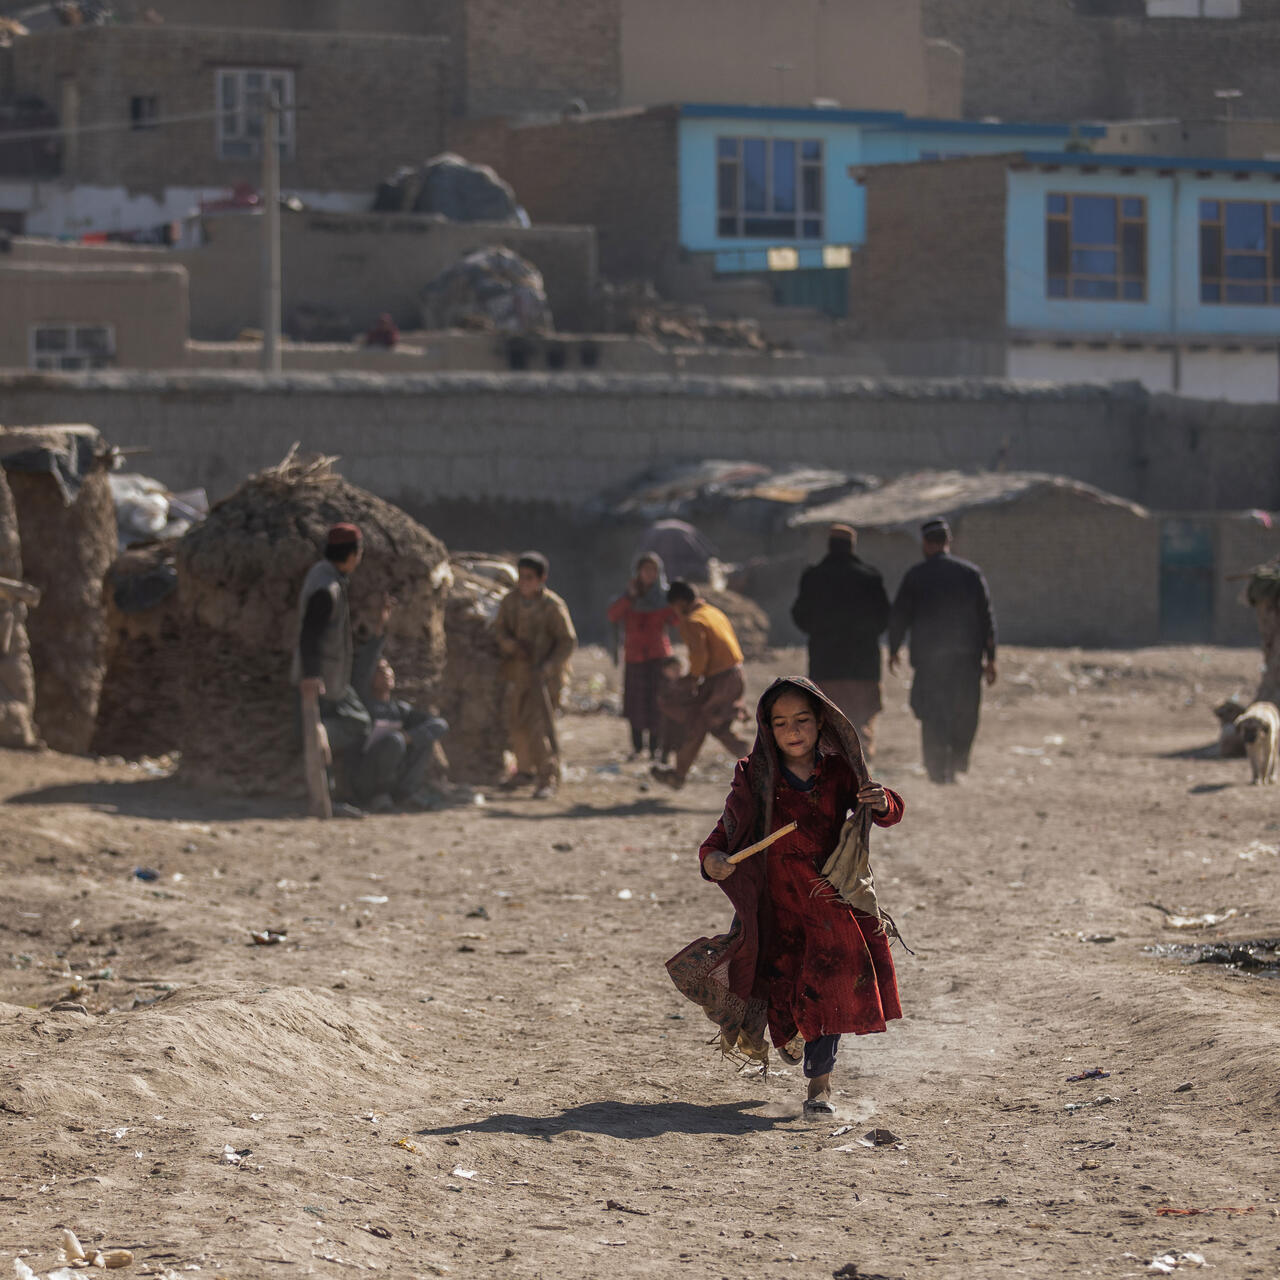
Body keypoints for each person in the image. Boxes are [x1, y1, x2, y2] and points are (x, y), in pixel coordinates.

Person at [666, 677, 905, 1114]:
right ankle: (787, 1032)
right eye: (781, 723)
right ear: (767, 729)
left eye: (802, 720)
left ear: (821, 723)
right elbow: (725, 833)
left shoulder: (838, 771)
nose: (793, 731)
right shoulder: (753, 775)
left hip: (827, 901)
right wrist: (712, 859)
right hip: (775, 907)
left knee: (826, 989)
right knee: (782, 988)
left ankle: (819, 1089)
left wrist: (884, 802)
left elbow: (884, 810)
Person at [888, 518, 997, 785]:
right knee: (964, 712)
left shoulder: (916, 576)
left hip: (930, 662)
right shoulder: (971, 574)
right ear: (949, 542)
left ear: (926, 544)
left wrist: (893, 648)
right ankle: (956, 764)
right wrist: (991, 659)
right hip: (966, 661)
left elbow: (900, 615)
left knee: (933, 716)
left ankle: (938, 771)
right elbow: (986, 619)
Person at [790, 523, 891, 759]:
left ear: (829, 546)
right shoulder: (869, 577)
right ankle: (863, 772)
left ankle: (835, 773)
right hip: (864, 666)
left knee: (829, 721)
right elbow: (884, 618)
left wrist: (821, 631)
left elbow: (800, 616)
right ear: (852, 546)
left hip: (826, 664)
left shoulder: (814, 577)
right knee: (861, 722)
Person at [292, 522, 370, 815]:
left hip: (329, 676)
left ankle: (331, 795)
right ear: (351, 555)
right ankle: (321, 738)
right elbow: (310, 633)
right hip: (324, 678)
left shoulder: (325, 577)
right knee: (357, 723)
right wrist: (311, 675)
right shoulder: (327, 588)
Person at [349, 595, 449, 810]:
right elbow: (366, 664)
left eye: (387, 669)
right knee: (394, 741)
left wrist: (409, 736)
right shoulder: (364, 703)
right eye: (379, 670)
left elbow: (440, 725)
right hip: (365, 779)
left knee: (424, 739)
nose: (385, 673)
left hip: (395, 777)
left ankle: (406, 793)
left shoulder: (399, 710)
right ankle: (377, 796)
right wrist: (380, 626)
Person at [651, 580, 752, 789]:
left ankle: (764, 767)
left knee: (706, 723)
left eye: (674, 609)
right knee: (708, 724)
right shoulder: (713, 612)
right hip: (733, 675)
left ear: (679, 603)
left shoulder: (692, 621)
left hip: (720, 680)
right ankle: (678, 775)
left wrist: (691, 679)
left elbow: (699, 655)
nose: (676, 614)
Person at [493, 551, 577, 799]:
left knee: (540, 728)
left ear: (542, 578)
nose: (524, 582)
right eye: (521, 577)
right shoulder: (511, 602)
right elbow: (500, 631)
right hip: (518, 673)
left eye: (530, 577)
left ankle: (547, 777)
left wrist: (549, 666)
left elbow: (567, 641)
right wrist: (512, 646)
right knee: (517, 723)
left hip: (545, 678)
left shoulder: (552, 606)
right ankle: (524, 771)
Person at [606, 553, 678, 760]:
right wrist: (630, 597)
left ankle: (656, 748)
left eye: (653, 570)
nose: (649, 574)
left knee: (658, 704)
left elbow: (676, 620)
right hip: (635, 657)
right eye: (645, 570)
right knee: (635, 704)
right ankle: (637, 748)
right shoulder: (628, 596)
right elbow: (612, 615)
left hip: (658, 657)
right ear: (637, 572)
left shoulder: (665, 597)